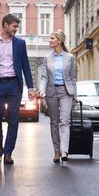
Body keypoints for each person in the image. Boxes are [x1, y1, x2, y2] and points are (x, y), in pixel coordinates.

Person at [0, 14, 35, 164]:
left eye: (17, 26)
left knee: (13, 120)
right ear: (5, 25)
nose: (16, 29)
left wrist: (30, 88)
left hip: (14, 85)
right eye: (14, 26)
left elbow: (26, 67)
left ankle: (8, 152)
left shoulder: (20, 44)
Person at [39, 30, 76, 163]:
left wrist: (74, 95)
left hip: (66, 92)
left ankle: (64, 150)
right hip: (51, 92)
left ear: (59, 41)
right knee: (54, 123)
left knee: (64, 121)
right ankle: (56, 152)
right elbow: (44, 77)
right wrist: (42, 91)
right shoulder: (47, 58)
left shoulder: (70, 57)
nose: (50, 40)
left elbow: (72, 78)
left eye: (52, 38)